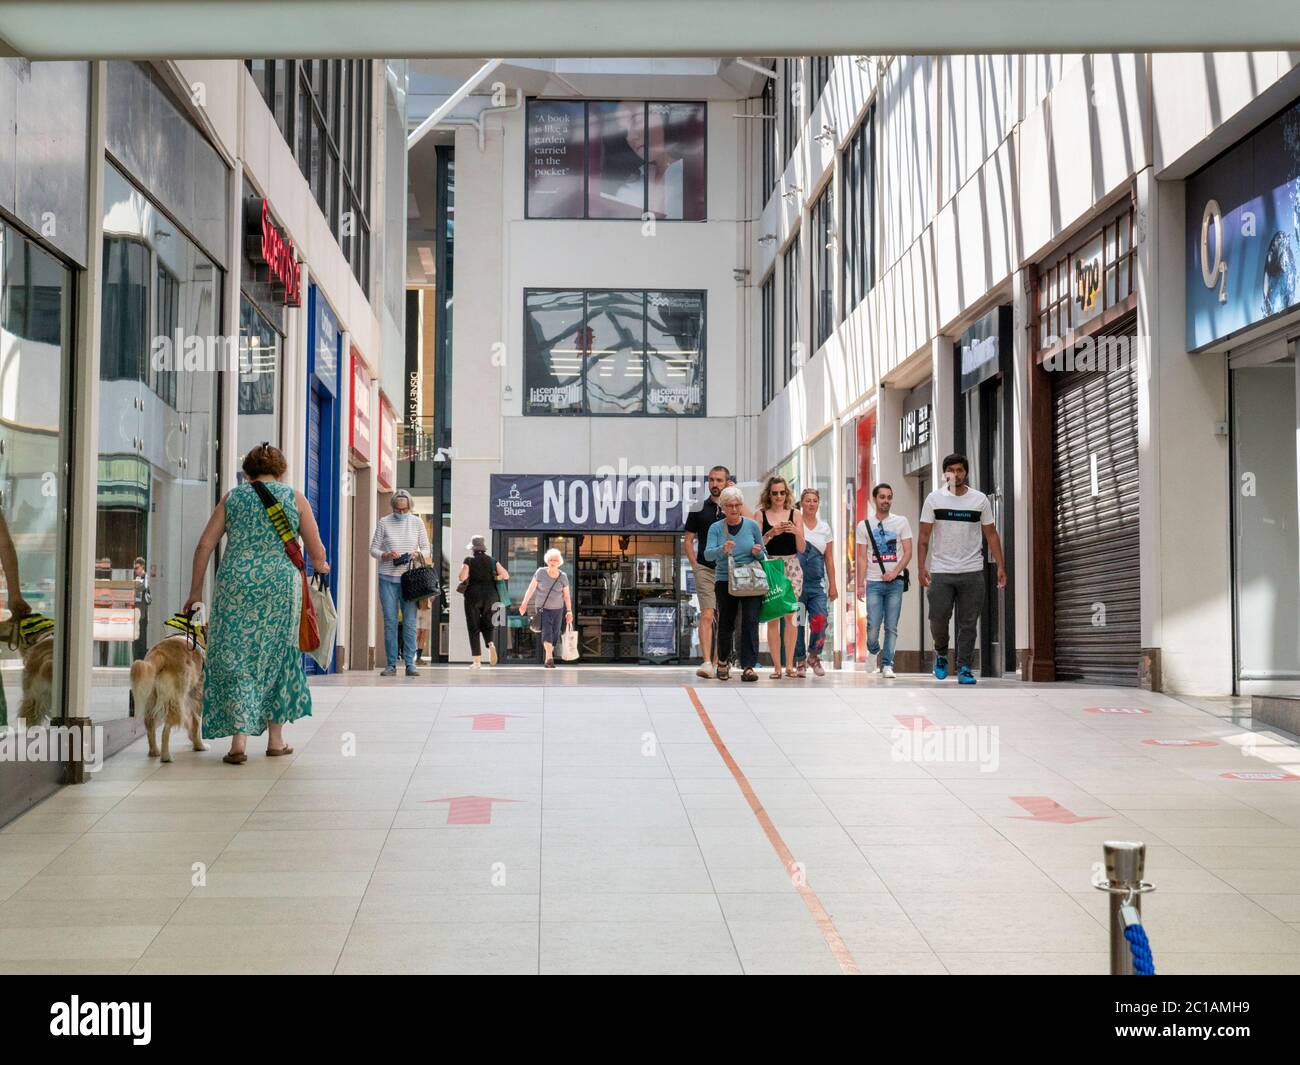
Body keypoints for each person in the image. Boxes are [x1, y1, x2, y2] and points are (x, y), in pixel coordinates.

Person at [183, 443, 328, 764]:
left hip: (235, 585)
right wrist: (322, 567)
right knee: (278, 655)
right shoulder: (295, 498)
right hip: (280, 586)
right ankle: (276, 740)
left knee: (237, 657)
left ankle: (238, 743)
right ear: (282, 470)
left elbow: (205, 545)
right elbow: (316, 552)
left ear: (247, 472)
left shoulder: (233, 498)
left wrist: (195, 592)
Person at [917, 453, 1007, 685]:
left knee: (968, 623)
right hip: (941, 570)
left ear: (965, 473)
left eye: (959, 470)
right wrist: (921, 567)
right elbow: (924, 537)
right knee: (938, 618)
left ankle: (964, 666)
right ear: (944, 473)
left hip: (972, 570)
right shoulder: (934, 499)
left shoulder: (979, 500)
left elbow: (991, 534)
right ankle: (941, 654)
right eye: (951, 470)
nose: (955, 474)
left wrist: (1000, 565)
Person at [704, 485, 764, 682]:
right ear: (722, 507)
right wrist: (723, 549)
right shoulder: (716, 528)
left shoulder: (752, 526)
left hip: (751, 579)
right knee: (726, 622)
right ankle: (723, 661)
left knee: (750, 621)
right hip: (725, 579)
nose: (734, 509)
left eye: (738, 505)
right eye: (729, 505)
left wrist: (757, 552)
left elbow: (764, 554)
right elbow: (707, 554)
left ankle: (748, 666)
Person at [370, 488, 430, 677]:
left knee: (410, 622)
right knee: (390, 622)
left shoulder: (417, 522)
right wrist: (386, 555)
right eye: (398, 509)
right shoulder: (384, 522)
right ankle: (391, 665)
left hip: (409, 580)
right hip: (387, 578)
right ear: (393, 507)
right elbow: (373, 550)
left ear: (410, 507)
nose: (401, 513)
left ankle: (411, 664)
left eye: (404, 510)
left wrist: (416, 554)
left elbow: (427, 549)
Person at [855, 483, 913, 679]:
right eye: (882, 497)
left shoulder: (901, 522)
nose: (886, 500)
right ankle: (873, 650)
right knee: (873, 625)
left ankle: (887, 664)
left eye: (889, 497)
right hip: (873, 582)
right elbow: (862, 557)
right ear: (874, 499)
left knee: (891, 626)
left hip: (895, 582)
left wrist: (895, 572)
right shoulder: (864, 526)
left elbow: (908, 552)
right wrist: (860, 584)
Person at [756, 475, 805, 679]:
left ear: (787, 493)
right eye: (775, 493)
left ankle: (790, 665)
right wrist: (771, 533)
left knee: (791, 617)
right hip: (771, 566)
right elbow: (758, 547)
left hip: (792, 566)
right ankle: (777, 666)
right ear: (769, 494)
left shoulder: (796, 514)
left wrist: (795, 532)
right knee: (773, 617)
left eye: (782, 492)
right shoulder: (761, 515)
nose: (778, 496)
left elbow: (802, 548)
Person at [683, 465, 728, 679]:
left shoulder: (733, 507)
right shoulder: (699, 507)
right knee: (708, 614)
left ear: (727, 482)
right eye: (711, 480)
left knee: (724, 617)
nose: (714, 484)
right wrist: (695, 564)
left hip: (728, 570)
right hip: (705, 569)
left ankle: (720, 662)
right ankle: (707, 661)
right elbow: (689, 539)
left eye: (719, 480)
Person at [793, 488, 838, 677]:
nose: (811, 504)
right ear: (802, 503)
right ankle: (800, 660)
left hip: (817, 583)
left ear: (818, 503)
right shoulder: (795, 523)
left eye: (814, 501)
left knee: (820, 619)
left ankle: (814, 655)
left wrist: (833, 585)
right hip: (796, 583)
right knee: (798, 622)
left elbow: (829, 559)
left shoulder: (824, 527)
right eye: (807, 500)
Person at [459, 534, 509, 668]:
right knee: (488, 624)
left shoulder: (469, 560)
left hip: (473, 596)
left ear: (473, 549)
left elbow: (462, 577)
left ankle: (476, 661)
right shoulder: (492, 561)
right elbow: (505, 575)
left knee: (473, 627)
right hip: (491, 596)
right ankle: (490, 644)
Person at [517, 547, 573, 668]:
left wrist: (569, 611)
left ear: (559, 562)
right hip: (543, 608)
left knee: (555, 633)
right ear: (547, 561)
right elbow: (531, 588)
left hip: (558, 609)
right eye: (551, 560)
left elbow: (567, 596)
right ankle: (549, 657)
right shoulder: (540, 572)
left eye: (556, 560)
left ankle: (548, 655)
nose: (553, 562)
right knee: (547, 630)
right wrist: (524, 603)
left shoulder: (563, 577)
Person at [131, 556, 151, 662]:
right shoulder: (138, 579)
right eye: (134, 568)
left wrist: (135, 586)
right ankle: (136, 658)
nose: (135, 570)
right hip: (137, 612)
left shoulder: (145, 578)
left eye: (137, 568)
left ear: (142, 567)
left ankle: (141, 658)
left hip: (142, 613)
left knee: (142, 637)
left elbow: (143, 587)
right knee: (136, 637)